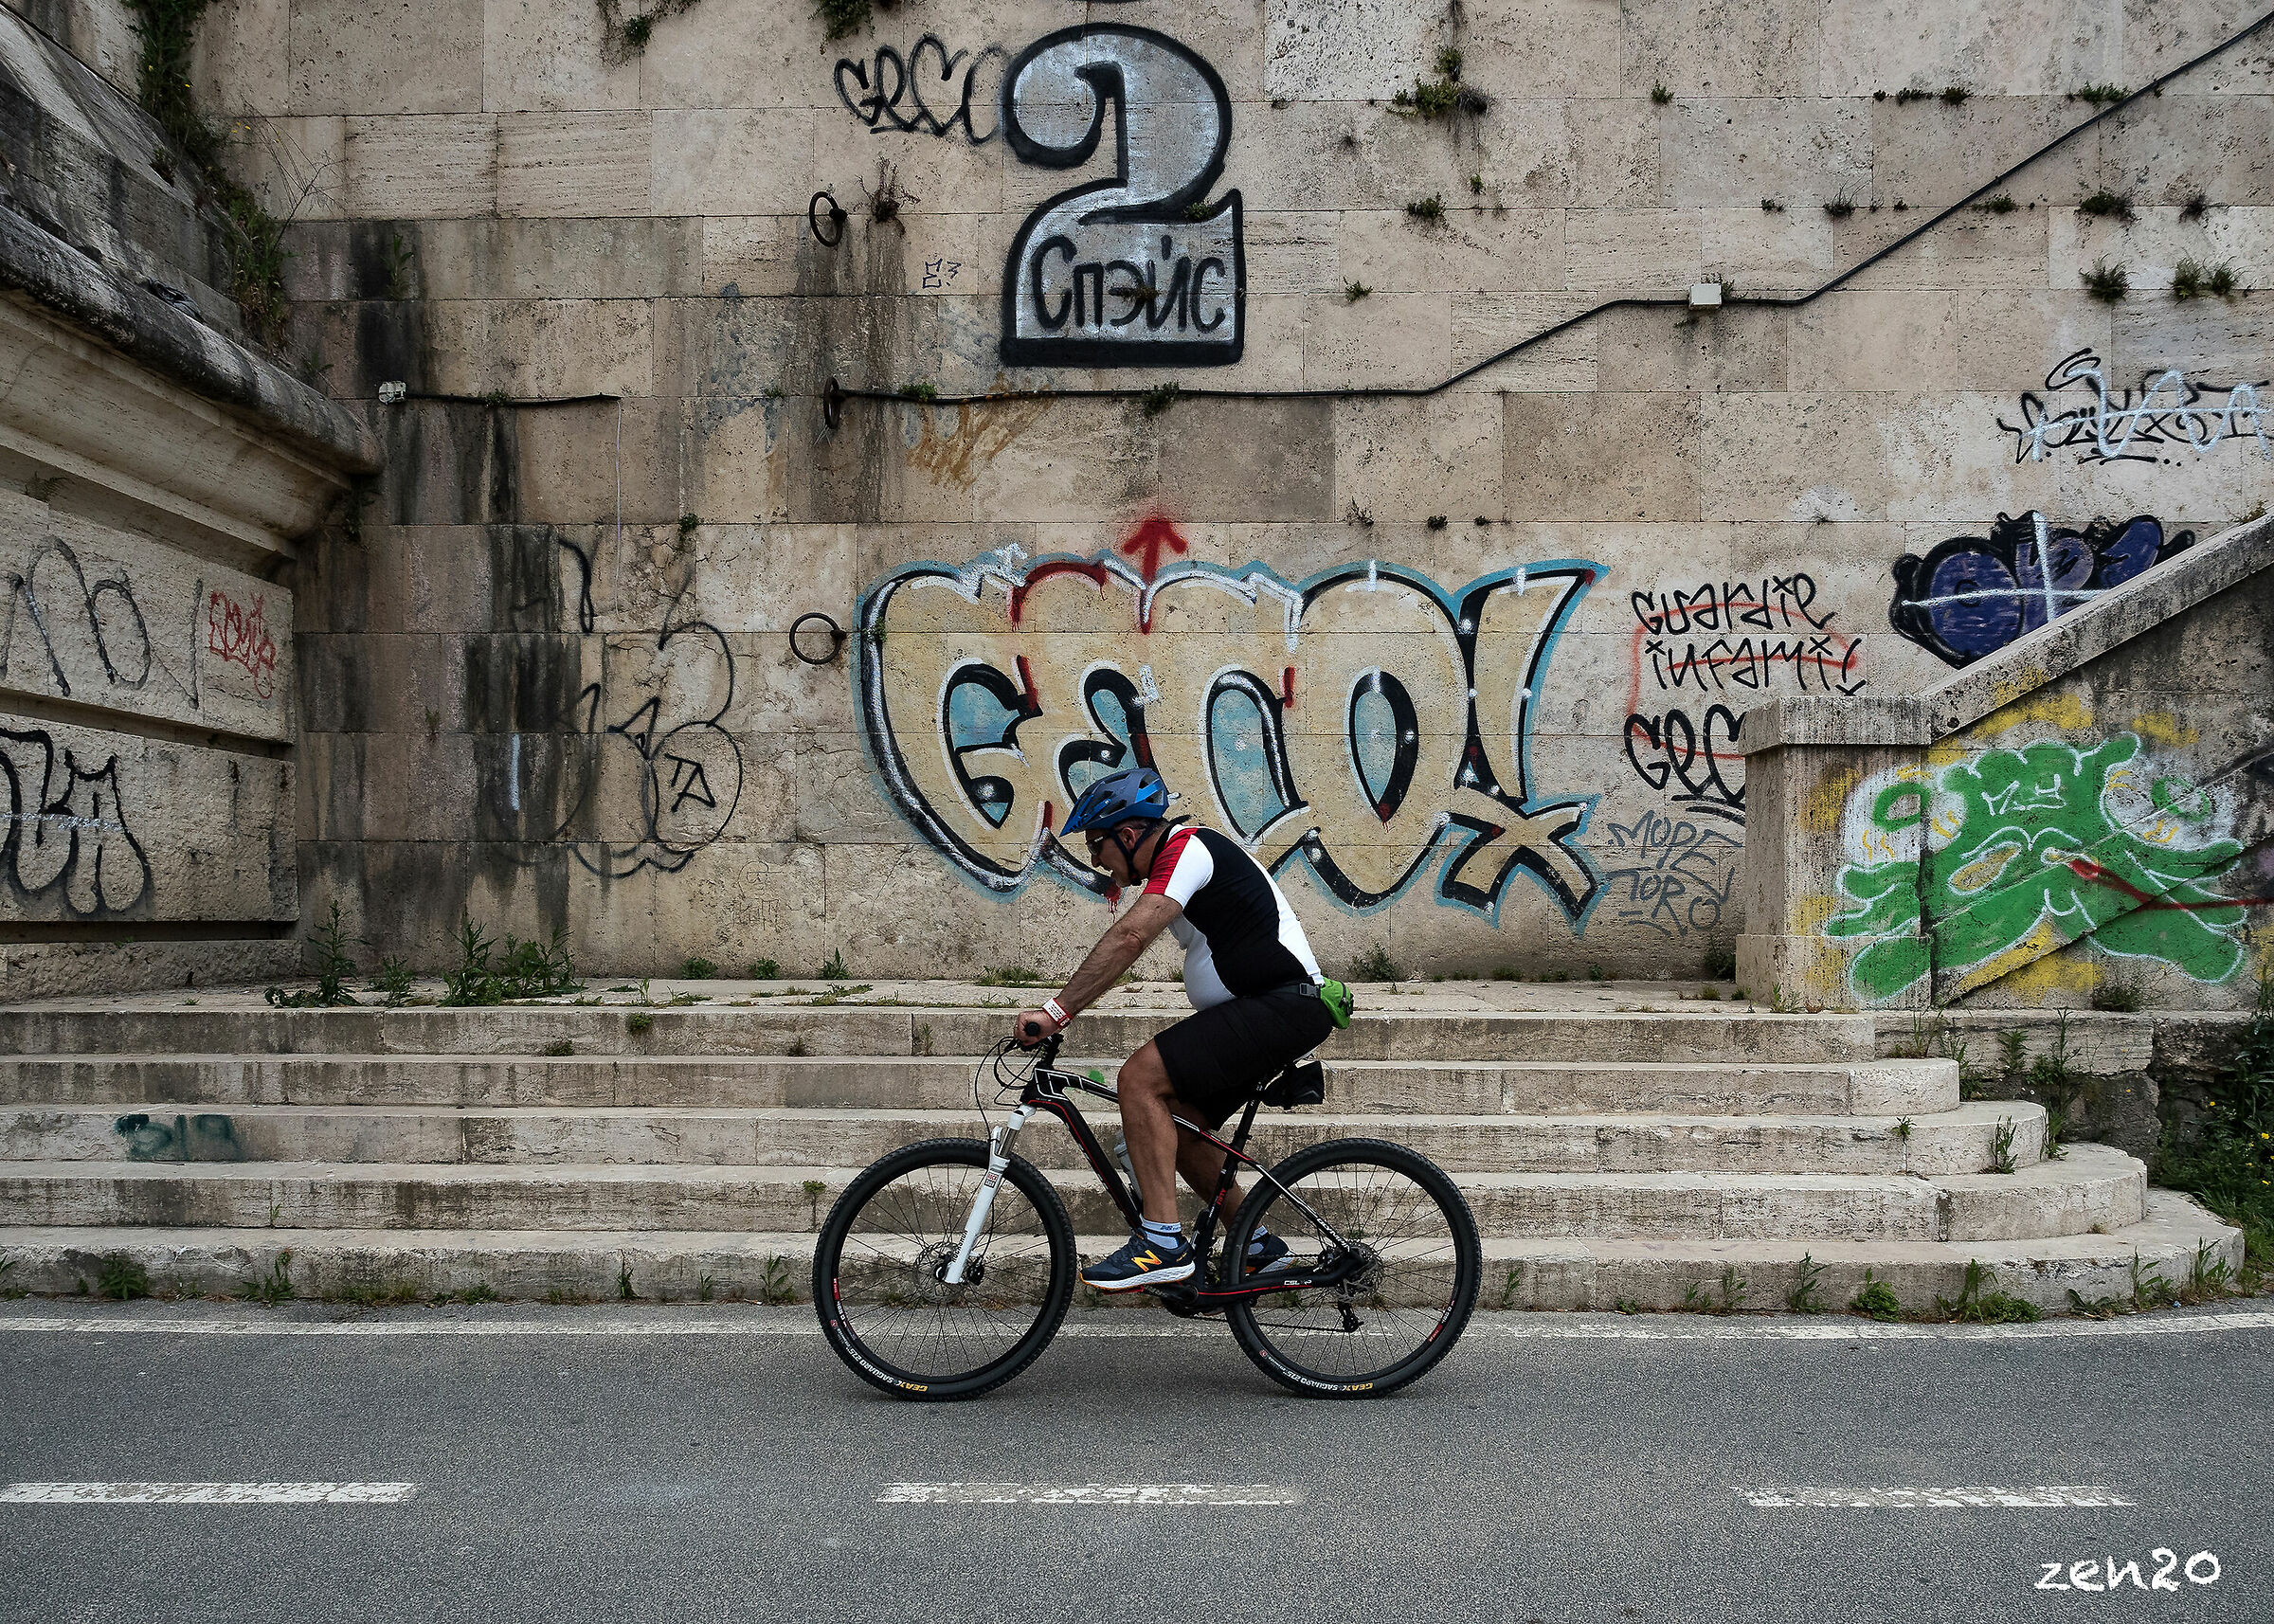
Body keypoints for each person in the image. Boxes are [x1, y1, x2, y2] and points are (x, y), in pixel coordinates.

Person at [1015, 765, 1337, 1290]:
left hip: (1283, 1005)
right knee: (1179, 1125)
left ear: (1128, 834)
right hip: (1272, 1008)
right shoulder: (1183, 859)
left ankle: (1162, 1242)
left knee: (1139, 1079)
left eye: (1097, 846)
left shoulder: (1188, 848)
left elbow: (1129, 939)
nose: (1096, 862)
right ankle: (1254, 1245)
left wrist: (1056, 1011)